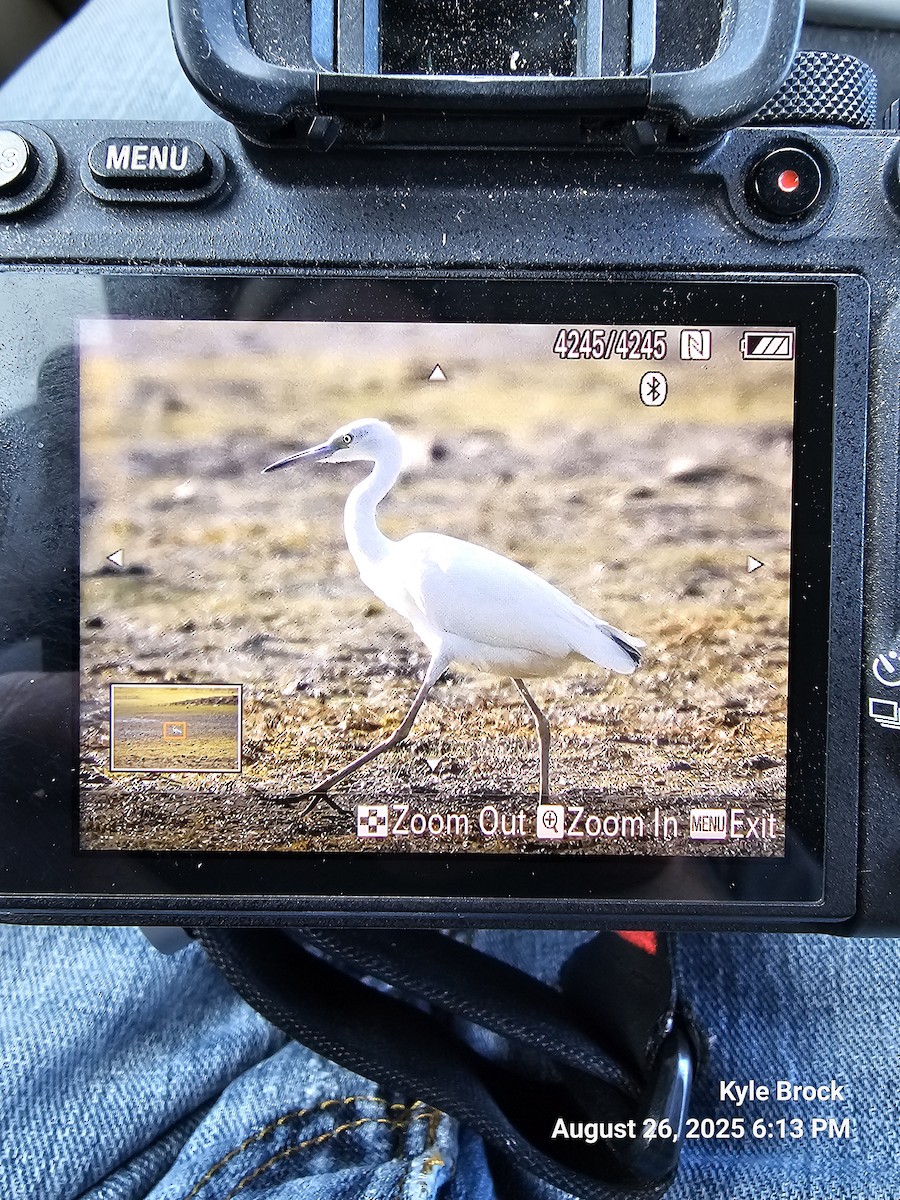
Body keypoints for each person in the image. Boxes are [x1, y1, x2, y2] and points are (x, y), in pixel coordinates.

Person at [1, 3, 899, 1196]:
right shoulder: (406, 549)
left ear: (375, 455)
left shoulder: (423, 561)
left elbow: (493, 682)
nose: (325, 457)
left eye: (341, 445)